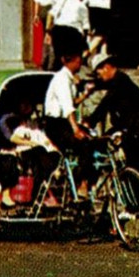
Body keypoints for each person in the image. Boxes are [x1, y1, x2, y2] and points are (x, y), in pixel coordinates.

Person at [88, 54, 139, 174]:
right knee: (132, 169)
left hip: (138, 129)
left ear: (107, 67)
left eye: (99, 73)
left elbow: (105, 103)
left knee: (133, 169)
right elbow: (102, 86)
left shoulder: (120, 82)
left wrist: (89, 122)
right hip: (136, 127)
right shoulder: (118, 80)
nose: (99, 77)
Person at [43, 50, 92, 192]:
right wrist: (76, 130)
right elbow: (68, 108)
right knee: (83, 144)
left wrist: (85, 95)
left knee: (92, 139)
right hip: (55, 124)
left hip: (64, 122)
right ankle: (80, 183)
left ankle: (85, 181)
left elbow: (72, 102)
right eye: (77, 60)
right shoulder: (62, 79)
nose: (80, 63)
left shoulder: (70, 79)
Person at [46, 0, 90, 68]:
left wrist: (48, 32)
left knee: (58, 56)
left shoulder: (62, 2)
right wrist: (84, 43)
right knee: (72, 57)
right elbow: (86, 27)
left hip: (57, 30)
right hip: (72, 32)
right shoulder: (82, 6)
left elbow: (50, 15)